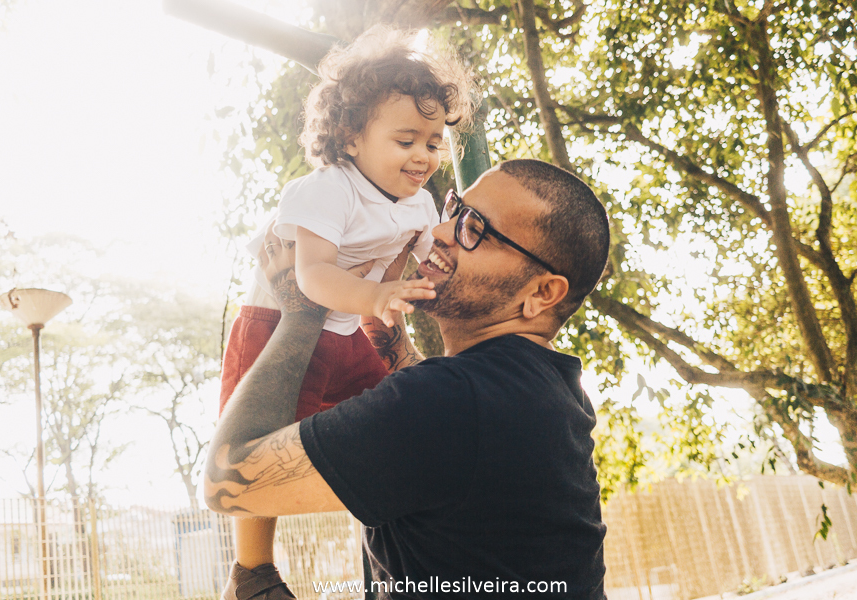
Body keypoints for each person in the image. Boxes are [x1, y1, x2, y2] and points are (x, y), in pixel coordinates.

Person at [207, 159, 611, 599]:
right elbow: (426, 398)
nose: (439, 232)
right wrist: (378, 305)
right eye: (455, 209)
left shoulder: (454, 402)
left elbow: (226, 481)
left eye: (474, 229)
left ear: (540, 293)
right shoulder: (541, 390)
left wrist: (303, 312)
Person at [215, 27, 474, 600]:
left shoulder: (419, 201)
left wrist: (435, 256)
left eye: (433, 142)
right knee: (266, 439)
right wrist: (376, 299)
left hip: (350, 329)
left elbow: (415, 251)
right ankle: (252, 570)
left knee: (386, 421)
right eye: (406, 139)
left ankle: (398, 529)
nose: (423, 156)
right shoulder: (324, 190)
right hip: (279, 325)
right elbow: (311, 276)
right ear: (351, 137)